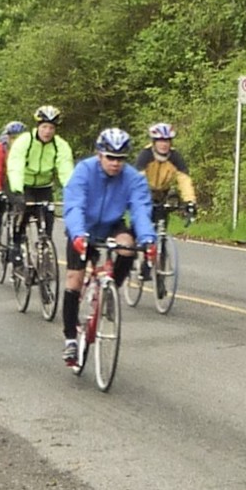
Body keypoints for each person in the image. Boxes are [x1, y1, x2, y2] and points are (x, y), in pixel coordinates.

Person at [60, 128, 157, 366]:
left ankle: (112, 288)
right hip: (83, 226)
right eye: (110, 158)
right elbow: (74, 205)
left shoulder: (133, 178)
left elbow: (140, 210)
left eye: (120, 159)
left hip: (112, 225)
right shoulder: (84, 171)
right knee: (74, 279)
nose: (115, 163)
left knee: (127, 246)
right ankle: (70, 339)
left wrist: (148, 239)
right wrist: (78, 234)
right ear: (99, 155)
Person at [6, 105, 75, 262]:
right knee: (23, 214)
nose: (47, 131)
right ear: (38, 126)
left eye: (51, 128)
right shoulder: (25, 141)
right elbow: (15, 165)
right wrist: (17, 191)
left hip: (44, 187)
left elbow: (66, 169)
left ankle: (44, 248)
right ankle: (16, 245)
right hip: (25, 185)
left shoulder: (60, 145)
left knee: (47, 221)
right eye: (44, 127)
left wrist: (72, 191)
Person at [133, 122, 198, 280]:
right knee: (143, 225)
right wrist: (141, 200)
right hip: (145, 191)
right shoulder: (146, 155)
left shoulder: (175, 157)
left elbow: (184, 180)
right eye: (160, 141)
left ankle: (159, 261)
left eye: (167, 141)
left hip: (163, 193)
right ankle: (140, 256)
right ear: (154, 142)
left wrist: (190, 202)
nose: (164, 144)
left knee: (161, 229)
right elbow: (138, 178)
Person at [0, 120, 26, 245]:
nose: (15, 141)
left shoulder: (29, 148)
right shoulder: (1, 148)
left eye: (19, 138)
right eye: (13, 137)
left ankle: (19, 231)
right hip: (4, 181)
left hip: (21, 181)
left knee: (24, 205)